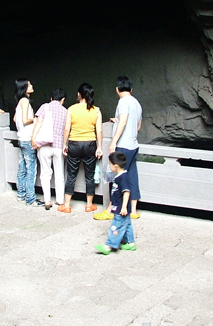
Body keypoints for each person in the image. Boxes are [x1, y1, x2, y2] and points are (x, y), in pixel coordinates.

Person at [95, 75, 143, 221]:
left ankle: (110, 210)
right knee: (132, 176)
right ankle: (133, 211)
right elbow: (138, 126)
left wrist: (113, 142)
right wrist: (117, 120)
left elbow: (123, 121)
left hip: (123, 145)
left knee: (117, 177)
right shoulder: (136, 103)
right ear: (131, 89)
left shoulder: (123, 102)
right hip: (134, 146)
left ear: (117, 89)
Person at [60, 82, 103, 214]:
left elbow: (66, 129)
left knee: (71, 174)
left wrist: (64, 144)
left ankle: (67, 205)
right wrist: (99, 147)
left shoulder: (71, 109)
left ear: (79, 94)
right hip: (90, 143)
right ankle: (89, 205)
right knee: (89, 175)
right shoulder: (96, 110)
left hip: (74, 143)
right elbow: (99, 131)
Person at [31, 88, 68, 210]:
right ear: (63, 100)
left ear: (51, 98)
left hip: (44, 145)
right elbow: (66, 129)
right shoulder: (65, 111)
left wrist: (33, 138)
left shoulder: (45, 107)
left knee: (45, 173)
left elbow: (38, 123)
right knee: (59, 174)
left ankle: (47, 200)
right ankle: (60, 200)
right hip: (58, 146)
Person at [95, 151, 136, 254]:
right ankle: (131, 243)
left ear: (116, 166)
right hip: (118, 207)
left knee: (116, 226)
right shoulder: (119, 176)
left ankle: (109, 246)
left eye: (110, 164)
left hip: (120, 209)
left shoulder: (123, 178)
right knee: (127, 225)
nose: (109, 167)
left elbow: (126, 192)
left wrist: (124, 207)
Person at [14, 78, 43, 207]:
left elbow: (15, 119)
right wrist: (36, 119)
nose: (31, 86)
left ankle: (21, 194)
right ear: (24, 88)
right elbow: (25, 120)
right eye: (29, 85)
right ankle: (30, 199)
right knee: (31, 169)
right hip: (27, 138)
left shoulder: (20, 101)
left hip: (21, 137)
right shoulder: (25, 101)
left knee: (22, 168)